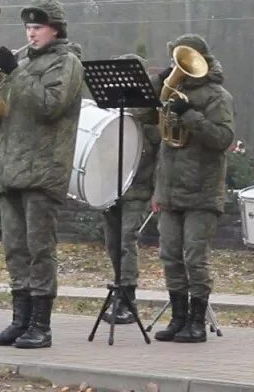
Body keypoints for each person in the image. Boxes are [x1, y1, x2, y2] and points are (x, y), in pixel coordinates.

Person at [0, 0, 84, 350]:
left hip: (42, 171)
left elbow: (49, 106)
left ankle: (41, 325)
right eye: (28, 27)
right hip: (11, 169)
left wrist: (16, 73)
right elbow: (4, 114)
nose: (31, 33)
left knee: (40, 250)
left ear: (56, 29)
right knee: (15, 250)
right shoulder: (23, 64)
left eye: (38, 27)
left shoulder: (66, 63)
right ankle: (19, 321)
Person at [153, 34, 234, 344]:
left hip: (202, 190)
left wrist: (190, 116)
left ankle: (197, 322)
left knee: (194, 258)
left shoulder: (217, 95)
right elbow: (148, 119)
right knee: (170, 255)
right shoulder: (172, 92)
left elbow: (222, 138)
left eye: (181, 60)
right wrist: (159, 84)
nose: (178, 67)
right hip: (171, 190)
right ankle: (178, 318)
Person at [100, 53, 160, 324]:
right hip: (111, 184)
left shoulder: (149, 111)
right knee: (113, 242)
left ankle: (128, 297)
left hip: (137, 185)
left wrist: (157, 189)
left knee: (126, 240)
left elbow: (158, 151)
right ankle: (118, 289)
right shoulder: (112, 107)